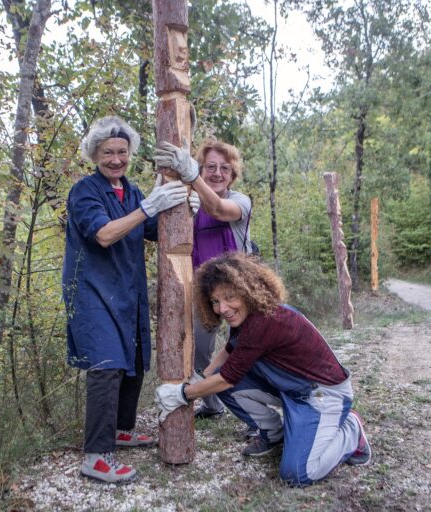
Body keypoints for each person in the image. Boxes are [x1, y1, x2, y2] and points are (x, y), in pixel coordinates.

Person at [154, 253, 372, 486]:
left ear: (247, 289)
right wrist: (202, 376)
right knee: (218, 382)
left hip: (322, 394)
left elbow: (227, 378)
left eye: (229, 297)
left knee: (298, 474)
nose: (222, 308)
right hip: (292, 389)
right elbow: (228, 351)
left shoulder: (266, 320)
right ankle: (273, 433)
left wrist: (182, 394)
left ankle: (351, 429)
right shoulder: (246, 316)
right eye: (215, 301)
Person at [63, 116, 192, 484]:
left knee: (134, 359)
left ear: (130, 153)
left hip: (126, 291)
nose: (116, 159)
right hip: (91, 292)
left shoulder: (131, 191)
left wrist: (183, 202)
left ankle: (120, 430)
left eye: (122, 152)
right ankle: (96, 456)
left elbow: (153, 228)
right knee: (106, 365)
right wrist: (150, 207)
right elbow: (104, 234)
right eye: (108, 153)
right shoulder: (85, 191)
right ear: (95, 155)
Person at [154, 138, 254, 420]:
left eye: (225, 168)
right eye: (210, 167)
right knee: (199, 352)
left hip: (240, 292)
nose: (217, 173)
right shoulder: (191, 202)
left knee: (246, 350)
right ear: (201, 168)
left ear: (233, 175)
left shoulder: (240, 202)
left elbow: (220, 210)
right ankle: (212, 406)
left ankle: (254, 418)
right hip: (203, 291)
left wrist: (192, 176)